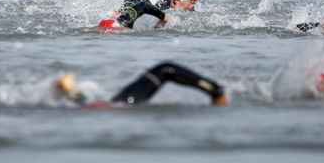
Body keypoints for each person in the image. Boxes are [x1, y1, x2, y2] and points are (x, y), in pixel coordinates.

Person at [55, 61, 228, 107]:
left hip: (112, 108)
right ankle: (217, 92)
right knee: (165, 69)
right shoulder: (93, 108)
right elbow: (167, 70)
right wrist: (216, 92)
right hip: (117, 108)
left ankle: (217, 92)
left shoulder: (88, 107)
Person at [111, 0, 199, 29]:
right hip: (153, 13)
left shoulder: (192, 19)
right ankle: (119, 16)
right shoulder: (164, 2)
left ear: (192, 3)